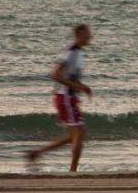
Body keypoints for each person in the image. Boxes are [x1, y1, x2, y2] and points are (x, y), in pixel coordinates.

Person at [26, 24, 93, 172]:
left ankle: (36, 153)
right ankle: (73, 171)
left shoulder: (78, 53)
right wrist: (78, 87)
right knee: (79, 133)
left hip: (68, 97)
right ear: (78, 34)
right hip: (65, 97)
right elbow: (55, 74)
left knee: (74, 135)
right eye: (87, 34)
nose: (90, 37)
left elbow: (71, 77)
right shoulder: (70, 53)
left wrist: (82, 86)